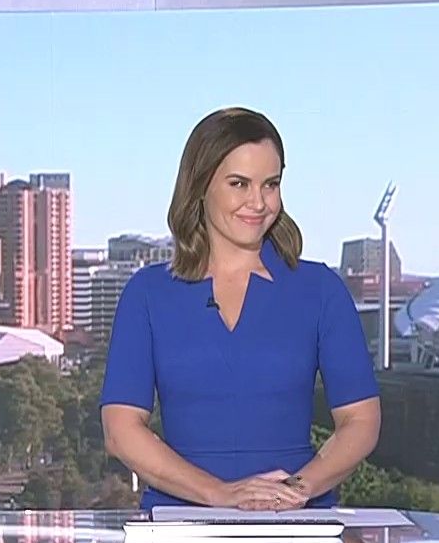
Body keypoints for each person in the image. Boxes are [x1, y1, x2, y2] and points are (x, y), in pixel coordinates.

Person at [100, 107, 381, 512]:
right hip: (180, 524)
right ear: (200, 186)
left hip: (296, 523)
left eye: (270, 185)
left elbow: (361, 421)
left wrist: (293, 490)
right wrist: (219, 494)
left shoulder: (320, 290)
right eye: (239, 184)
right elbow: (121, 429)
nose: (258, 202)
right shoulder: (147, 294)